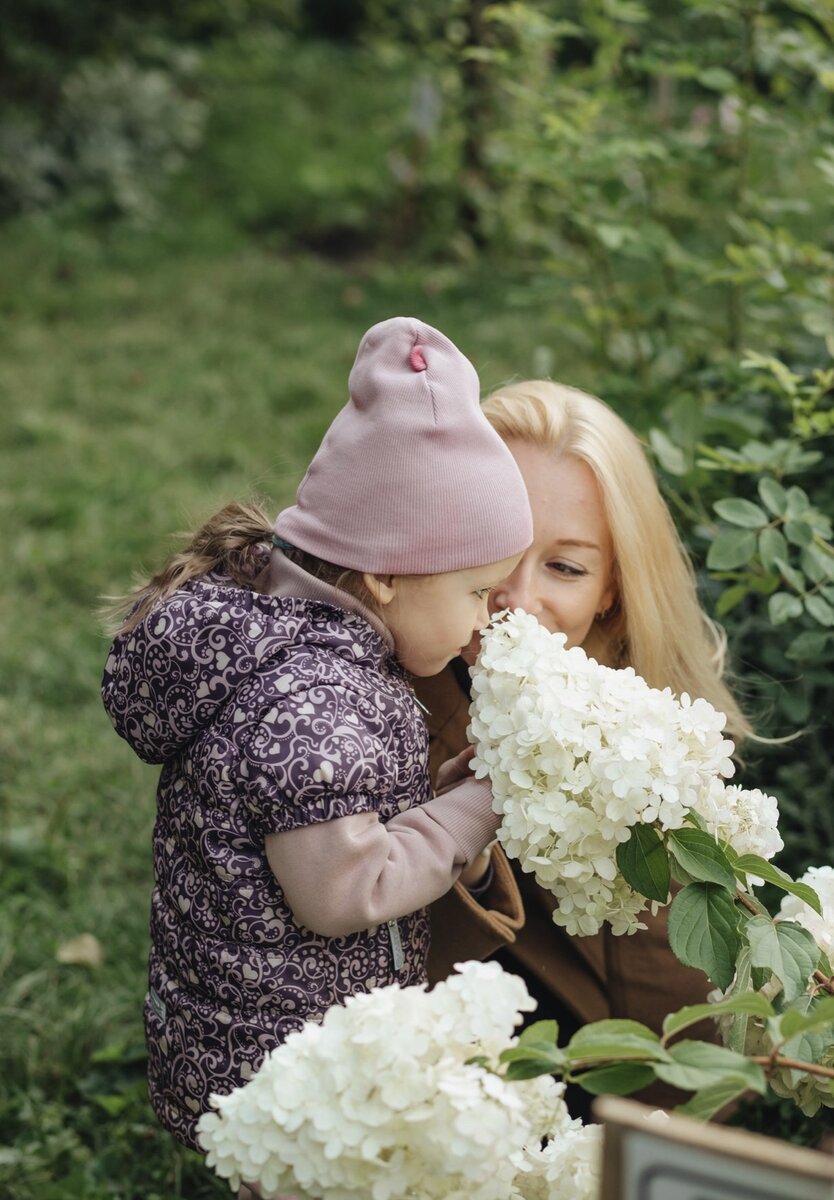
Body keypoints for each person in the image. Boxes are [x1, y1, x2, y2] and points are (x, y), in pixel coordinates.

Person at [100, 317, 533, 1176]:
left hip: (236, 1033)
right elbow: (346, 888)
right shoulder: (315, 701)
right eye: (478, 589)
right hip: (288, 1078)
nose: (488, 616)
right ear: (386, 576)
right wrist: (472, 813)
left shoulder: (288, 643)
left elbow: (329, 816)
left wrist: (434, 795)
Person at [417, 378, 753, 1106]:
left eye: (564, 566)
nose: (516, 597)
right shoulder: (370, 705)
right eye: (494, 546)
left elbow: (680, 1000)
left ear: (612, 590)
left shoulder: (647, 726)